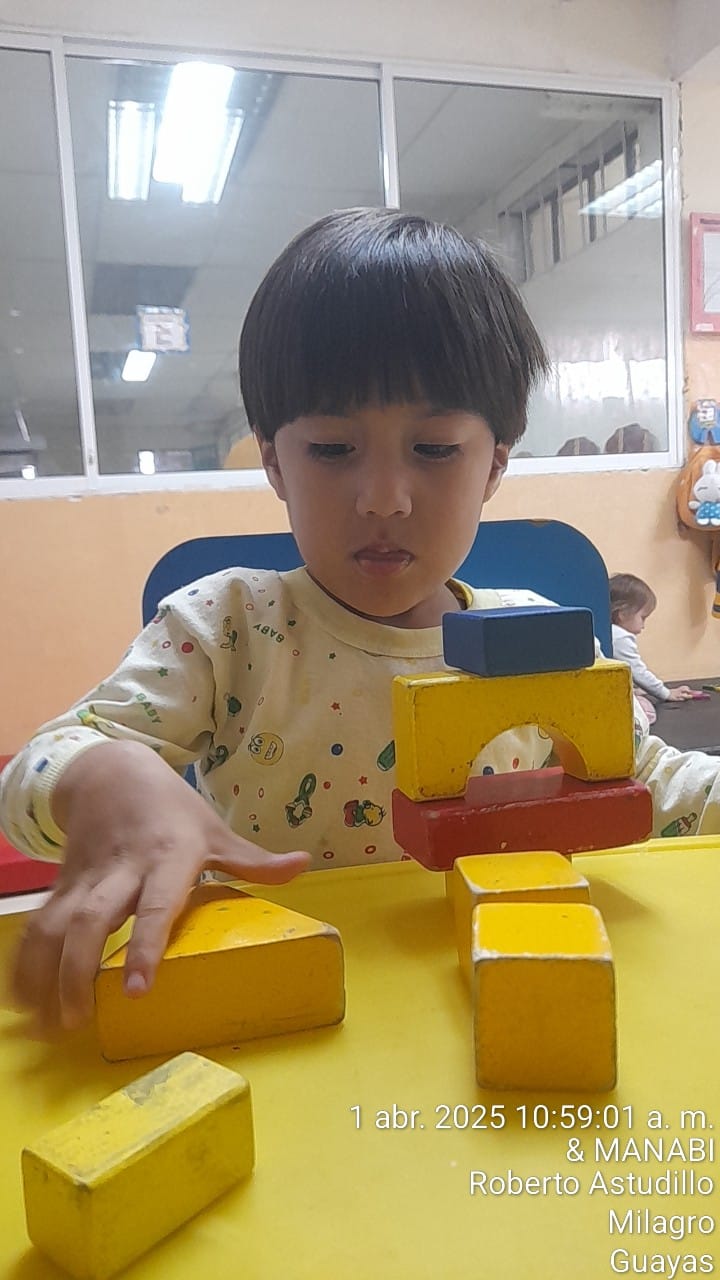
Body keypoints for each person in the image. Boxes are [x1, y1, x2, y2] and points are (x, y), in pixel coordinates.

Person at [3, 207, 720, 1036]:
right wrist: (107, 779)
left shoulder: (537, 636)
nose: (384, 499)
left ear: (494, 464)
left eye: (435, 449)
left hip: (494, 1008)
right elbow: (32, 781)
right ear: (275, 461)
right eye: (334, 449)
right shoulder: (226, 629)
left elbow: (652, 785)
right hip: (281, 1011)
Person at [610, 572, 694, 723]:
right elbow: (638, 672)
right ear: (622, 614)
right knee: (646, 712)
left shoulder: (608, 632)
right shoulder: (620, 637)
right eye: (642, 617)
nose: (644, 625)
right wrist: (666, 693)